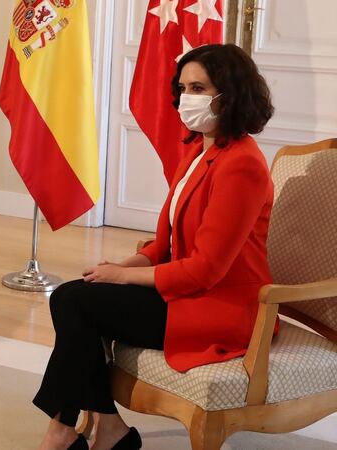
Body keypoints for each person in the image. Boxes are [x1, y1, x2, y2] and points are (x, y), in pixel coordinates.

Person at [34, 43, 275, 450]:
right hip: (188, 293)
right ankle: (107, 429)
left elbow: (205, 271)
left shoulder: (243, 164)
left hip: (221, 306)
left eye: (198, 88)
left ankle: (66, 430)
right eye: (183, 88)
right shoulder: (199, 149)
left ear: (230, 94)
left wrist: (123, 277)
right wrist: (125, 264)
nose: (186, 99)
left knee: (77, 304)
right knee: (71, 296)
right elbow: (165, 242)